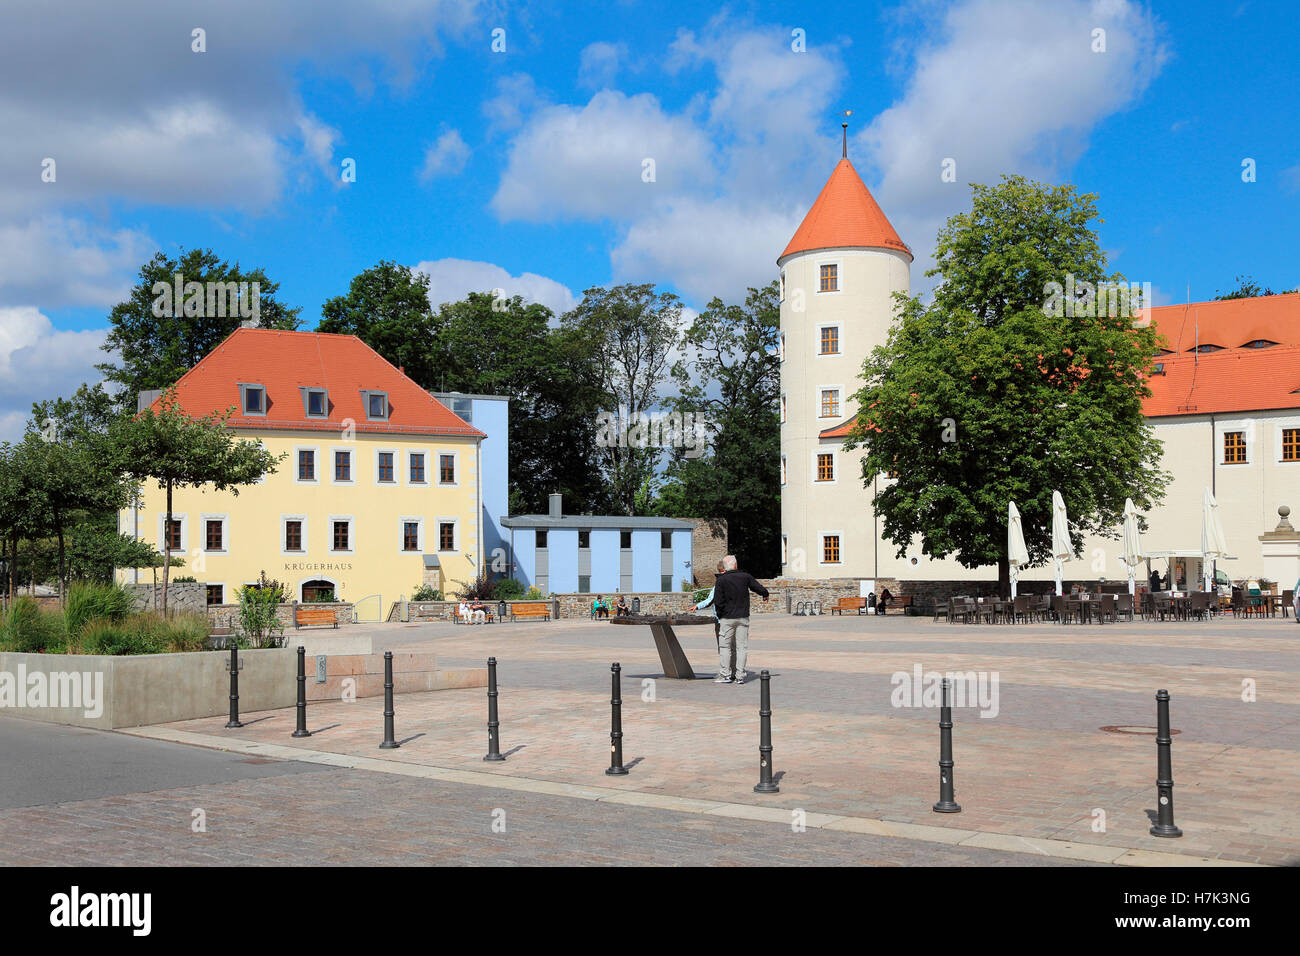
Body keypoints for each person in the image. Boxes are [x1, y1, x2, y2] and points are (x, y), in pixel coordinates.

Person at [712, 554, 768, 684]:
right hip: (743, 617)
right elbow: (758, 587)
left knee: (725, 647)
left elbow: (718, 601)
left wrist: (720, 615)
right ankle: (740, 676)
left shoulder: (721, 580)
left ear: (725, 567)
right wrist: (765, 594)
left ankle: (725, 674)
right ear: (736, 565)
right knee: (741, 647)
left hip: (727, 618)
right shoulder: (745, 577)